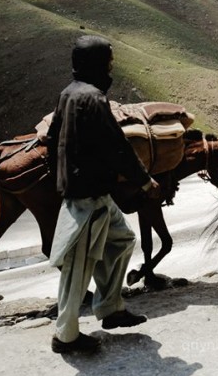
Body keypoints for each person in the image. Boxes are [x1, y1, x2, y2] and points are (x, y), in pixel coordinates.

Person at [46, 35, 160, 354]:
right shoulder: (94, 98)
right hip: (88, 195)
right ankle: (65, 336)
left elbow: (53, 138)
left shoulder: (68, 93)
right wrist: (146, 181)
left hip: (91, 191)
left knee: (122, 240)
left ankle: (110, 308)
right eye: (108, 61)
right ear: (97, 63)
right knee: (79, 265)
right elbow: (117, 148)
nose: (111, 66)